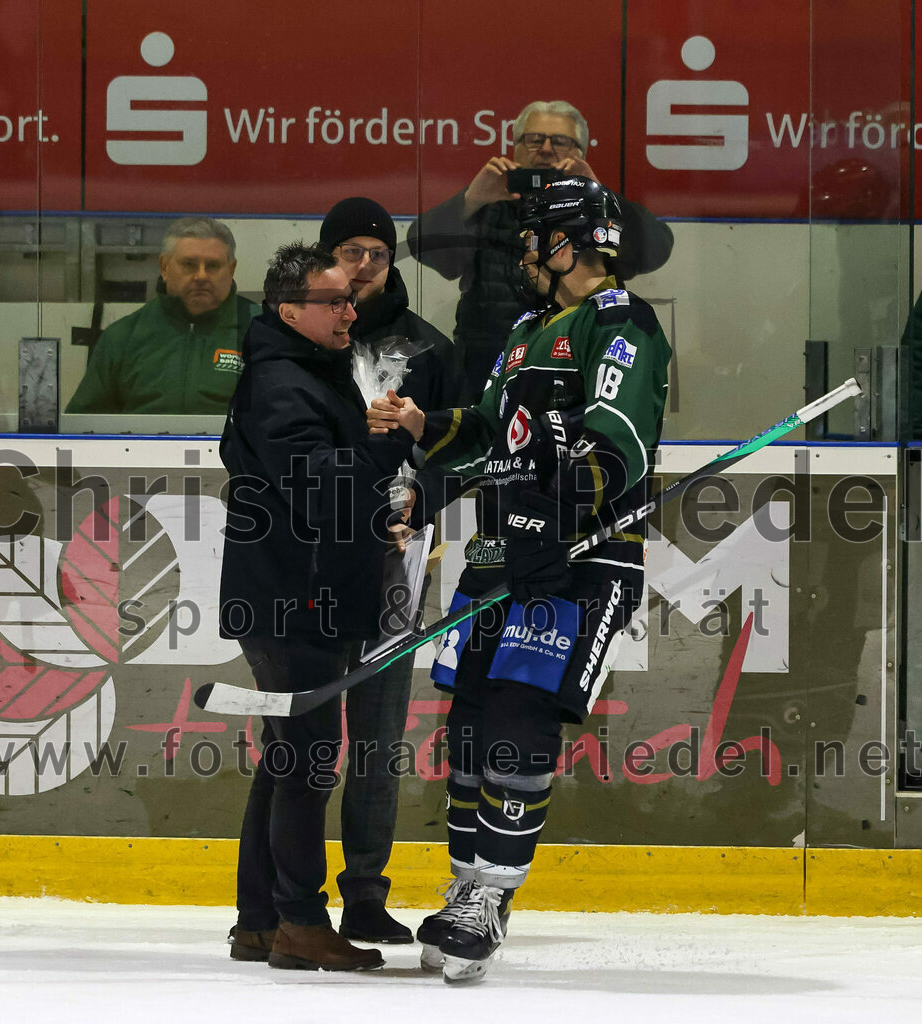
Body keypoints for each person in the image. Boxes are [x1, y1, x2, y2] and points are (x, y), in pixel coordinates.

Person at [370, 177, 672, 982]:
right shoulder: (526, 330)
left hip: (580, 560)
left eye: (536, 238)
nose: (525, 254)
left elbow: (615, 442)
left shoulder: (621, 322)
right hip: (501, 555)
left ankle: (491, 896)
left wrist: (554, 514)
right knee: (469, 725)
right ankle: (465, 881)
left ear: (571, 243)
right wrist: (426, 434)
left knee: (518, 720)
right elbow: (491, 434)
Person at [219, 242, 414, 971]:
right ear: (289, 309)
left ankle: (259, 919)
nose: (349, 312)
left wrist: (379, 500)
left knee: (287, 758)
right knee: (306, 763)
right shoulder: (281, 383)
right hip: (292, 600)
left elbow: (326, 485)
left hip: (300, 594)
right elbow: (320, 485)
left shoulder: (309, 371)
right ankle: (299, 922)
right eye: (333, 301)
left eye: (349, 301)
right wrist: (386, 446)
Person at [318, 198, 462, 942]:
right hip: (312, 554)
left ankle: (366, 893)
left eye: (378, 252)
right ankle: (288, 897)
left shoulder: (429, 349)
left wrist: (422, 499)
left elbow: (463, 449)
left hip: (398, 558)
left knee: (377, 733)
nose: (365, 265)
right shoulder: (302, 338)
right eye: (351, 250)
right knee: (305, 731)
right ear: (327, 257)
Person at [406, 99, 674, 401]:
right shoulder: (489, 206)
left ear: (581, 154)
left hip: (576, 360)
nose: (546, 149)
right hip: (489, 366)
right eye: (534, 139)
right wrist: (471, 200)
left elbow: (657, 249)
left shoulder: (599, 214)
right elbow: (421, 245)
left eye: (559, 141)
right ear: (515, 148)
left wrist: (597, 192)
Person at [66, 217, 259, 414]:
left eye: (213, 266)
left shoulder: (266, 333)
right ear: (164, 267)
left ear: (231, 270)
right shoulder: (122, 338)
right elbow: (83, 422)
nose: (201, 276)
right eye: (189, 264)